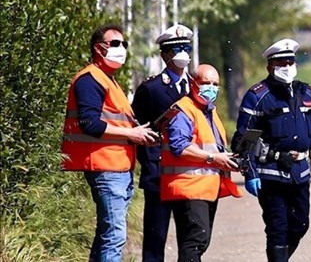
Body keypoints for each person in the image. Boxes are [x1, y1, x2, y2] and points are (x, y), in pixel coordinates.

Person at [61, 23, 159, 262]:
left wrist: (137, 133)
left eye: (124, 44)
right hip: (105, 168)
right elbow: (90, 123)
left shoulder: (109, 81)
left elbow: (116, 124)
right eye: (115, 43)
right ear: (98, 48)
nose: (121, 48)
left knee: (107, 234)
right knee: (114, 236)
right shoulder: (89, 80)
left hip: (118, 167)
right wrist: (131, 135)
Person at [232, 38, 311, 262]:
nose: (287, 67)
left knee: (301, 224)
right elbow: (244, 138)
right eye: (281, 63)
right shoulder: (258, 95)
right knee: (277, 228)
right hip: (271, 172)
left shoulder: (305, 92)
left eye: (290, 62)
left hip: (300, 172)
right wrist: (250, 172)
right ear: (270, 66)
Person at [160, 64, 242, 261]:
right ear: (192, 83)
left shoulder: (208, 111)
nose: (211, 88)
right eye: (206, 83)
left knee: (198, 241)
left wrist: (228, 159)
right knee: (195, 242)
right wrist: (214, 158)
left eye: (215, 84)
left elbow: (212, 147)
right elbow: (180, 146)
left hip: (204, 189)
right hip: (188, 188)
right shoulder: (183, 110)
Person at [131, 23, 194, 262]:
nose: (183, 53)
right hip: (159, 173)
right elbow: (138, 129)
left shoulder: (196, 86)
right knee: (155, 238)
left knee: (190, 238)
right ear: (164, 54)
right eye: (176, 48)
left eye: (186, 48)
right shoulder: (151, 88)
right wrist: (149, 163)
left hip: (188, 172)